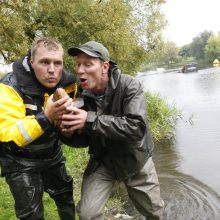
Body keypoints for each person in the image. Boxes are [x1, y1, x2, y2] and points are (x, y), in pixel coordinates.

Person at [60, 41, 164, 219]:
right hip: (103, 161)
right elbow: (85, 140)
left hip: (134, 159)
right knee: (87, 214)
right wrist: (68, 133)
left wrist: (89, 120)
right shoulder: (82, 96)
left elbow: (136, 127)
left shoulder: (130, 86)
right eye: (78, 64)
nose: (80, 70)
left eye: (87, 64)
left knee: (154, 213)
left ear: (104, 67)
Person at [0, 37, 77, 220]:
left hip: (51, 152)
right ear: (32, 61)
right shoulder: (9, 87)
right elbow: (7, 137)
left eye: (57, 63)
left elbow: (65, 123)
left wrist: (67, 126)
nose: (52, 70)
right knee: (31, 214)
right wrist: (46, 117)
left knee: (65, 195)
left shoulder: (68, 83)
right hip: (18, 159)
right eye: (44, 62)